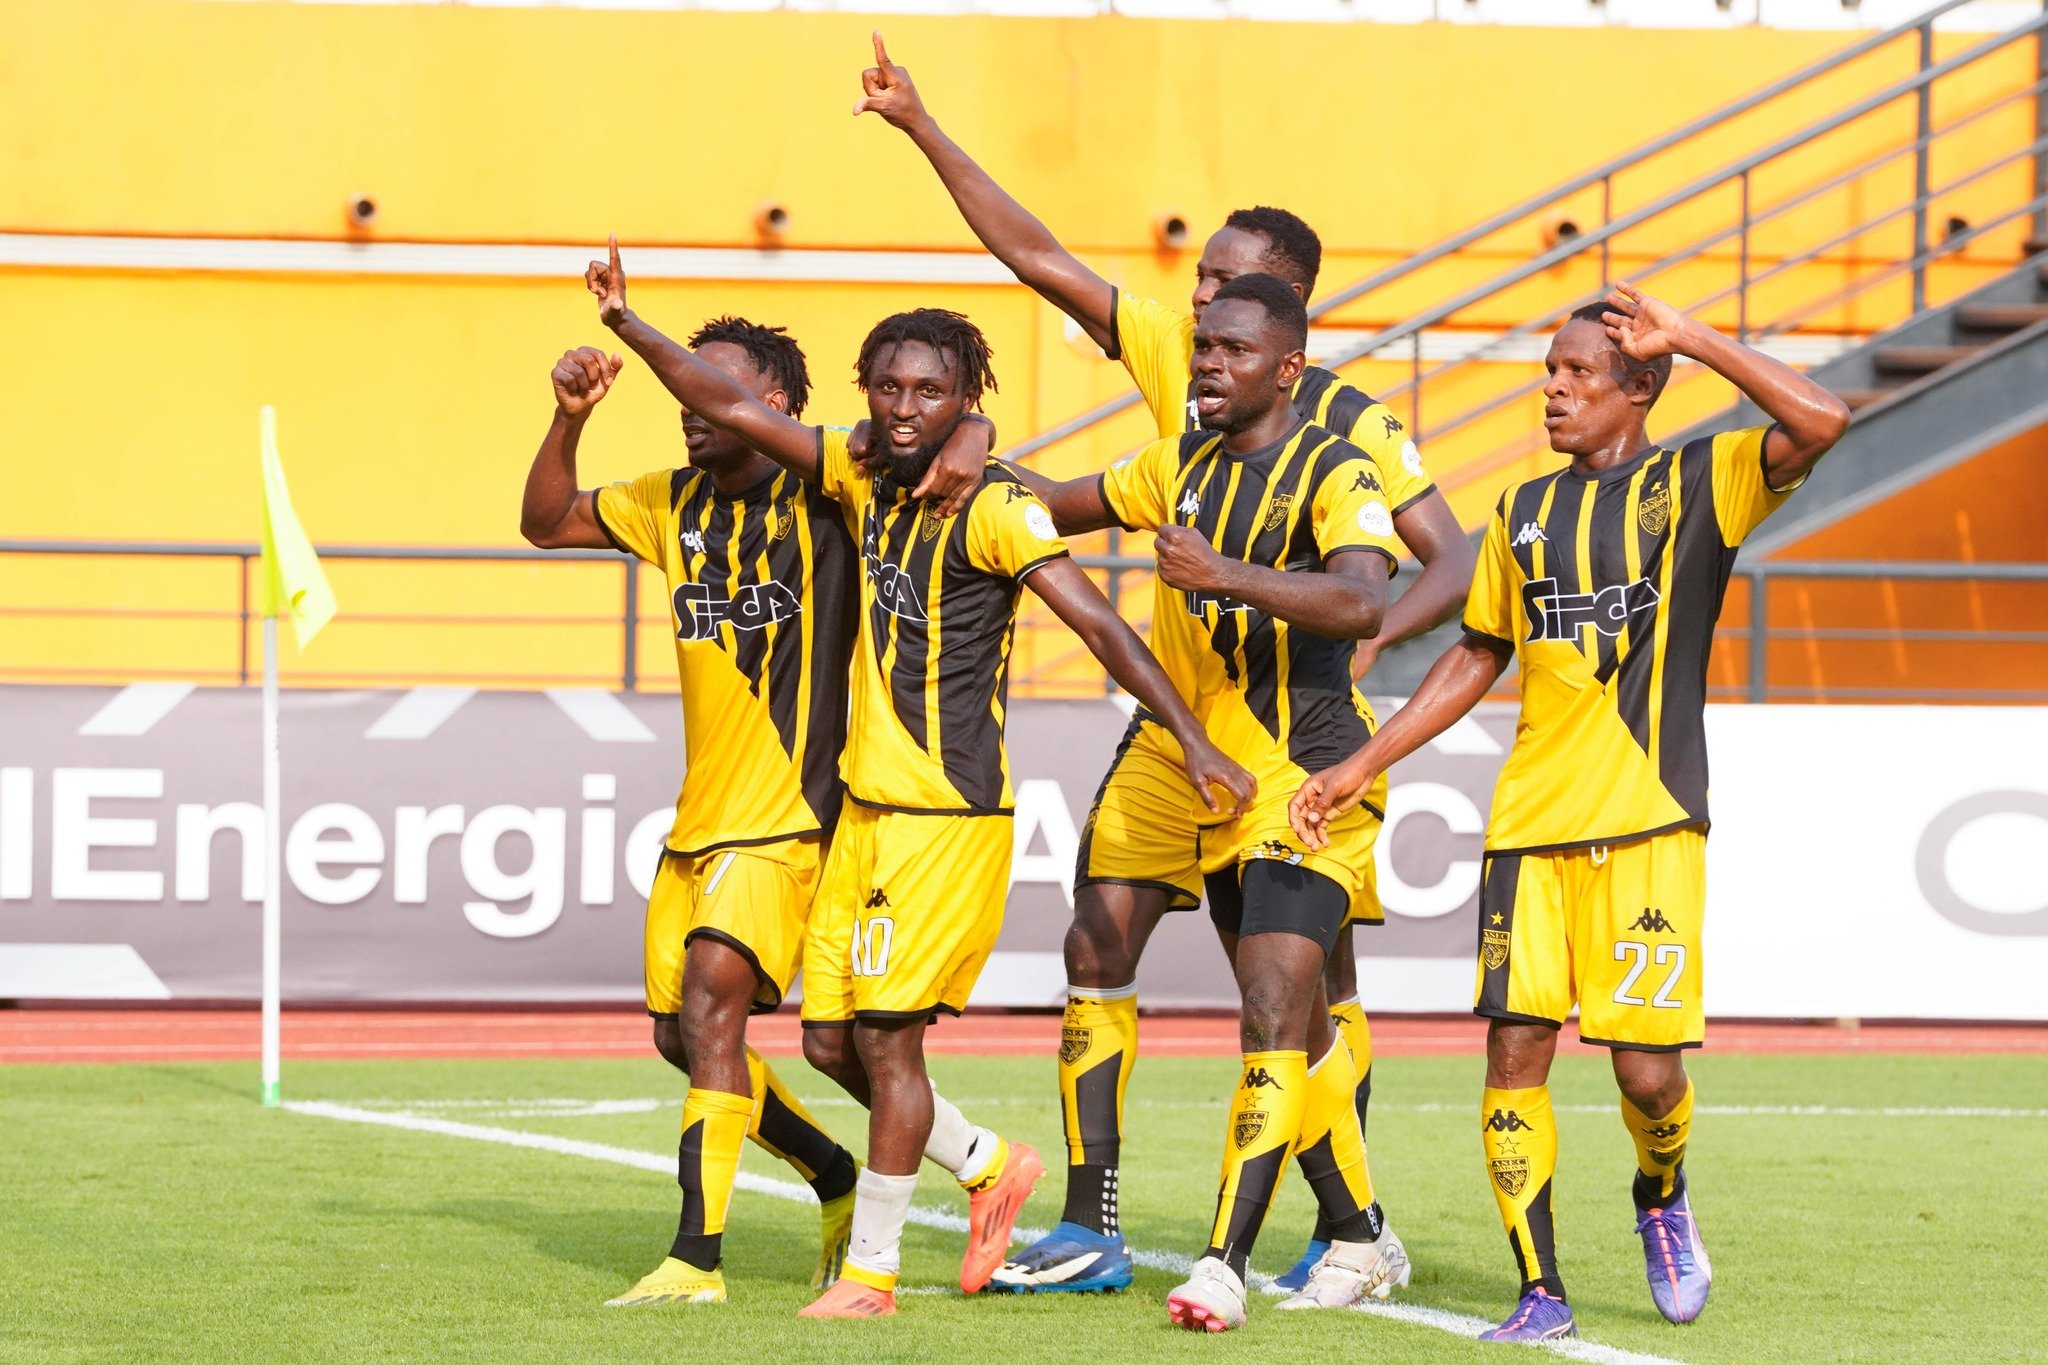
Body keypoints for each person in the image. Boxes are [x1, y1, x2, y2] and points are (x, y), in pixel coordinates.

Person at [851, 30, 1475, 1292]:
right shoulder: (1186, 408)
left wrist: (1341, 655)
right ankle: (1092, 1222)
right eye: (1198, 292)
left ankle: (1347, 1224)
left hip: (1290, 738)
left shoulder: (1349, 431)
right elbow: (1036, 262)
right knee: (1097, 941)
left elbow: (1448, 564)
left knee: (1299, 1002)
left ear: (1284, 315)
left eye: (1226, 292)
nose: (1196, 312)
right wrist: (967, 432)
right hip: (1169, 727)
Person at [583, 238, 1257, 1319]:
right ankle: (989, 1163)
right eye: (890, 388)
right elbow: (734, 407)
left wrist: (1191, 739)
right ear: (865, 394)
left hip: (944, 818)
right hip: (862, 815)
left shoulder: (996, 505)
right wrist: (629, 325)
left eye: (931, 392)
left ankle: (872, 1274)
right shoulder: (857, 476)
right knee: (826, 1043)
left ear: (966, 400)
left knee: (886, 1043)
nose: (906, 409)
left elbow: (1101, 628)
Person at [1290, 283, 1851, 1342]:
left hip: (1648, 821)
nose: (1551, 388)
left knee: (1647, 1075)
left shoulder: (1704, 479)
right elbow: (1476, 653)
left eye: (1576, 372)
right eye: (1548, 370)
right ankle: (1538, 1288)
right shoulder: (1520, 509)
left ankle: (1660, 1191)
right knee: (1514, 1053)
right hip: (1528, 830)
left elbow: (1823, 418)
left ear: (1638, 389)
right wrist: (1363, 761)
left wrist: (1691, 335)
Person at [995, 272, 1407, 1330]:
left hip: (1295, 767)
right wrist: (970, 464)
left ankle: (1225, 1263)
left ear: (1288, 368)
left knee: (1276, 1010)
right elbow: (1057, 502)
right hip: (1179, 750)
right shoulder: (1176, 462)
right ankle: (1096, 1224)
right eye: (1202, 346)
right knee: (1094, 941)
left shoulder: (1338, 467)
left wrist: (1227, 574)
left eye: (1231, 350)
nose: (1207, 364)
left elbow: (1364, 599)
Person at [519, 318, 925, 1305]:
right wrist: (568, 420)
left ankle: (695, 1261)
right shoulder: (671, 500)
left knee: (709, 1005)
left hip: (790, 817)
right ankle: (838, 1171)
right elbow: (546, 522)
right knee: (682, 1036)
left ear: (769, 406)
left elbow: (948, 440)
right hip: (697, 819)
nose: (686, 407)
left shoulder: (829, 489)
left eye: (708, 389)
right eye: (681, 392)